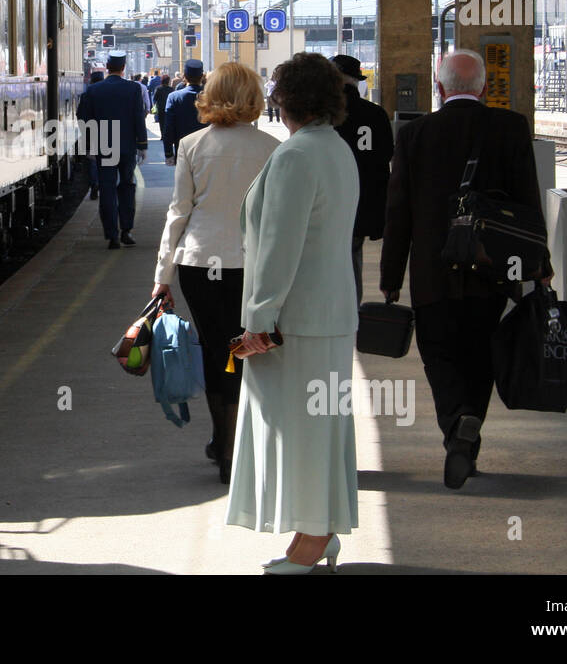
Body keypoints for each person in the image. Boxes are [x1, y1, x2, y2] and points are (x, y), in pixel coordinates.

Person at [380, 49, 549, 489]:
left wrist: (391, 277)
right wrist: (540, 265)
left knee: (439, 355)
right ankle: (468, 435)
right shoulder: (511, 128)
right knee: (481, 354)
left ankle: (457, 423)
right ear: (484, 88)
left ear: (440, 88)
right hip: (493, 267)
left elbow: (398, 211)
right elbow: (528, 200)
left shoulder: (415, 134)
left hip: (433, 270)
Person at [227, 52, 359, 574]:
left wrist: (259, 319)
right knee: (323, 429)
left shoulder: (296, 156)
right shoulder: (334, 148)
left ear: (284, 100)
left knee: (302, 433)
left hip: (297, 320)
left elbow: (280, 246)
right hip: (328, 314)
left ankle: (312, 539)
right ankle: (318, 531)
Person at [150, 63, 279, 484]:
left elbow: (178, 214)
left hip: (200, 263)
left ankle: (222, 443)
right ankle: (242, 443)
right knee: (248, 348)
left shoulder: (191, 144)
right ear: (253, 97)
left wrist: (163, 275)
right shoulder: (271, 147)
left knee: (214, 349)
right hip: (252, 264)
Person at [330, 54, 394, 304]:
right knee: (353, 250)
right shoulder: (376, 113)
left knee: (341, 254)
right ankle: (351, 305)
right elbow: (387, 153)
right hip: (368, 197)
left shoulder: (328, 115)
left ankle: (345, 306)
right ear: (357, 81)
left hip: (336, 196)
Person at [77, 52, 148, 249]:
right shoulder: (133, 89)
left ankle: (112, 235)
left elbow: (83, 119)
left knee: (107, 189)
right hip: (127, 146)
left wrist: (89, 144)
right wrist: (142, 145)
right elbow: (138, 117)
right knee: (127, 186)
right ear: (123, 67)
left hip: (105, 146)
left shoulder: (93, 90)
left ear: (107, 67)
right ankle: (127, 230)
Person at [161, 59, 207, 160]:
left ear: (184, 76)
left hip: (183, 149)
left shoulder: (174, 97)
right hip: (207, 150)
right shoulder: (211, 97)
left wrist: (168, 153)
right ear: (201, 76)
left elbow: (168, 127)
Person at [83, 69, 105, 200]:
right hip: (109, 130)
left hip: (92, 131)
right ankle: (104, 185)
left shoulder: (87, 94)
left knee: (93, 161)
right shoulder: (109, 93)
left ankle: (94, 185)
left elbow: (81, 115)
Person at [152, 75, 175, 164]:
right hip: (169, 108)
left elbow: (155, 98)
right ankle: (168, 136)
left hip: (161, 108)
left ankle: (162, 135)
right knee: (169, 123)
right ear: (168, 81)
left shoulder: (158, 88)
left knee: (161, 123)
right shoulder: (171, 89)